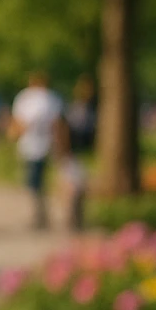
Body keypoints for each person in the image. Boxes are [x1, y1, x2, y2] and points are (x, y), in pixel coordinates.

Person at [10, 70, 66, 229]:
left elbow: (18, 123)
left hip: (29, 145)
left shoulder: (25, 98)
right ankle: (42, 212)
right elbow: (58, 125)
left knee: (32, 181)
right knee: (42, 180)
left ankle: (37, 213)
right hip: (47, 145)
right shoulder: (53, 98)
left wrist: (13, 136)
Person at [64, 75, 97, 230]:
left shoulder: (87, 109)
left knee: (79, 186)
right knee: (75, 186)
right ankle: (74, 218)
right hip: (74, 152)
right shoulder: (77, 109)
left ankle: (76, 217)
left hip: (81, 153)